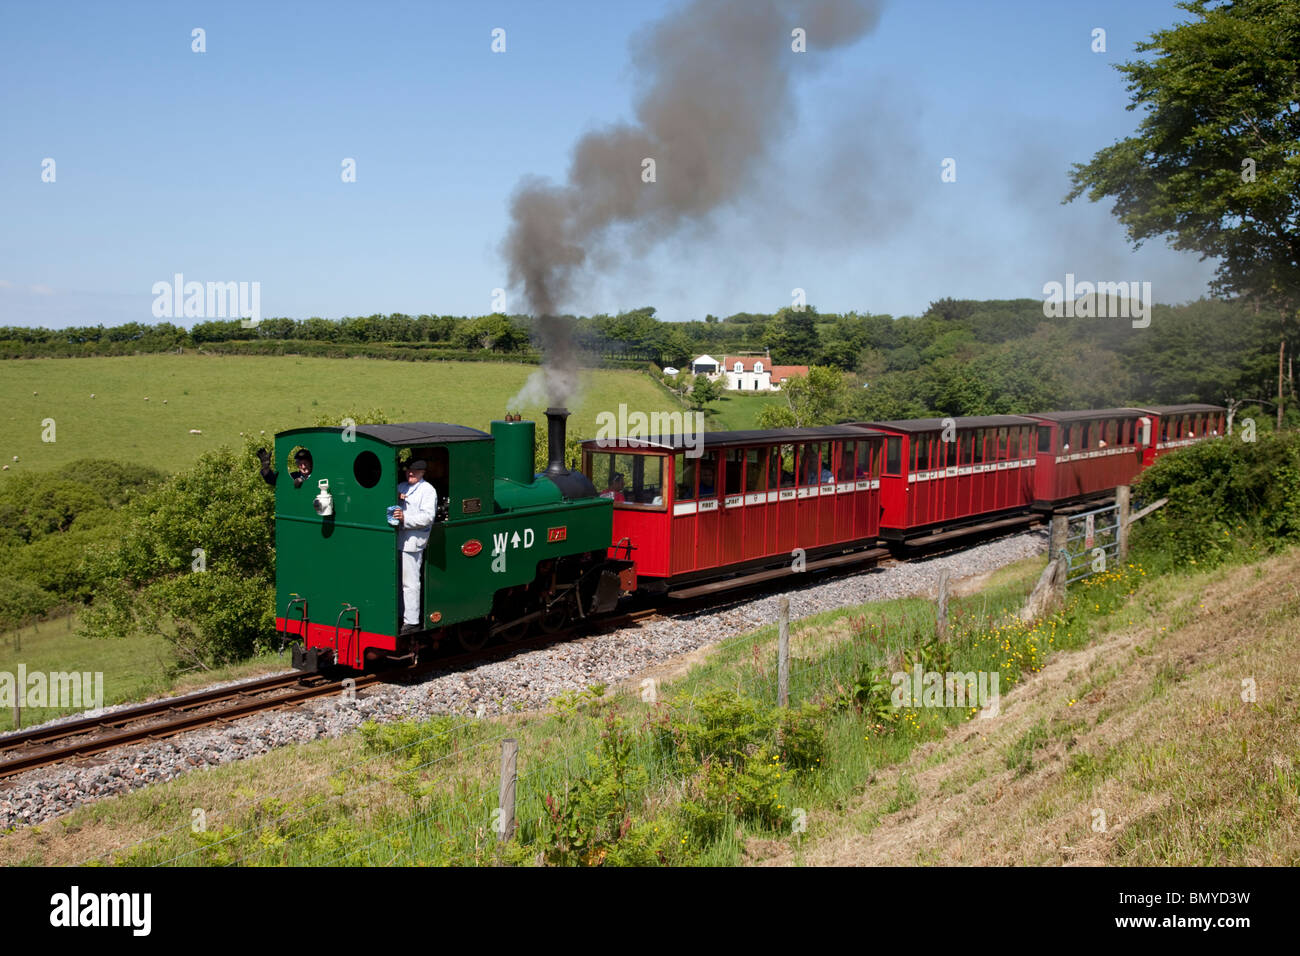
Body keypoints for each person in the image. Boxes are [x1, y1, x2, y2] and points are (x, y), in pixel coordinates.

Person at [393, 459, 438, 635]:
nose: (410, 473)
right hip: (397, 538)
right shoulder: (401, 486)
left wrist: (405, 518)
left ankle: (412, 621)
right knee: (398, 581)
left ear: (422, 473)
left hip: (413, 541)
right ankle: (399, 615)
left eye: (414, 471)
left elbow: (427, 517)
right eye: (408, 470)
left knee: (410, 582)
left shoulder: (428, 490)